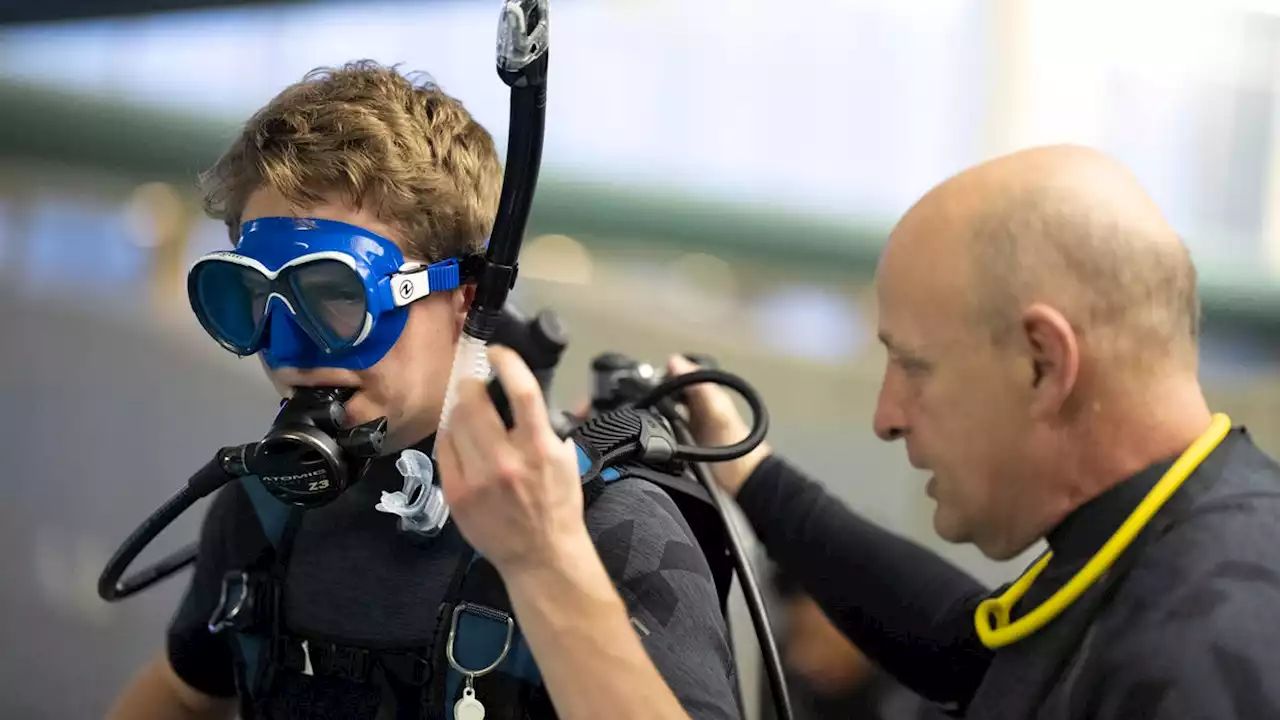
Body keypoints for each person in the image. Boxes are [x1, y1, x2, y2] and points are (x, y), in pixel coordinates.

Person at [433, 143, 1280, 719]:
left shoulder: (1206, 656)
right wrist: (751, 471)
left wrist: (543, 558)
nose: (885, 418)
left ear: (1041, 362)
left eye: (914, 365)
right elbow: (969, 645)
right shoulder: (1158, 551)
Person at [106, 61, 740, 720]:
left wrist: (544, 562)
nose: (287, 349)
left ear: (466, 299)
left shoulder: (610, 526)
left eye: (335, 297)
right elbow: (184, 695)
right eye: (252, 301)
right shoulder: (264, 509)